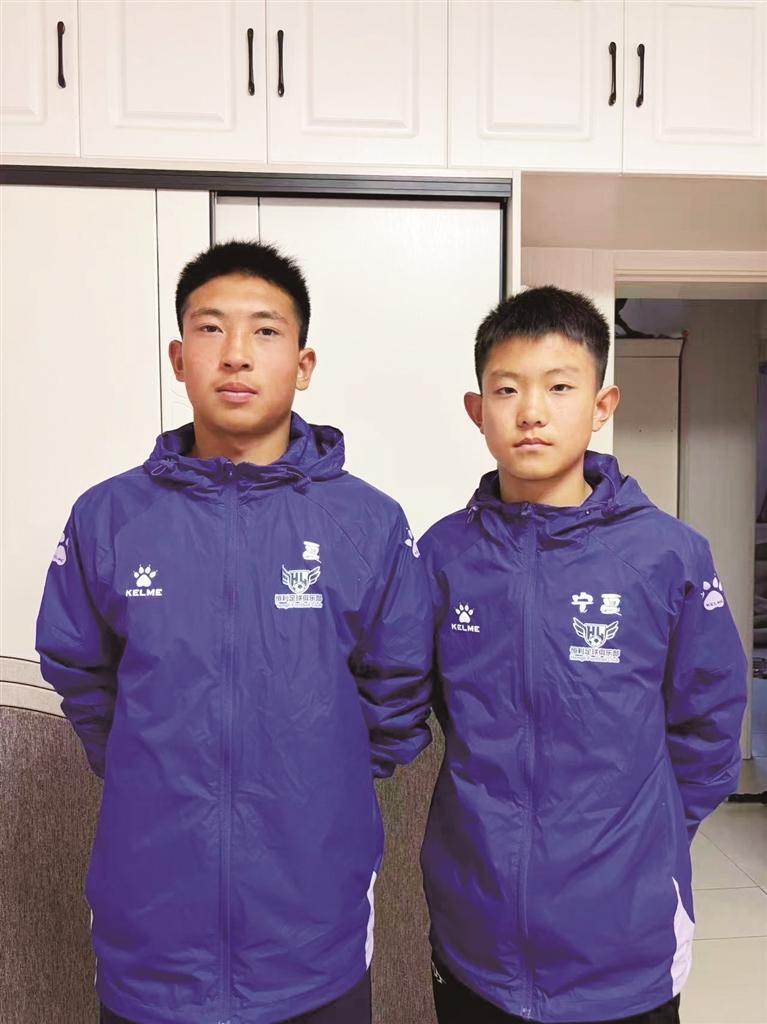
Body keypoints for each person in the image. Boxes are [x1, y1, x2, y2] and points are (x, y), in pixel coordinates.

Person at [36, 240, 432, 1024]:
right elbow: (81, 675)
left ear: (304, 364)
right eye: (211, 329)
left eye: (265, 331)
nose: (237, 354)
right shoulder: (109, 516)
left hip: (311, 937)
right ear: (179, 359)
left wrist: (320, 781)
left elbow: (397, 692)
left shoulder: (368, 523)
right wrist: (149, 766)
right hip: (152, 938)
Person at [418, 286, 747, 1024]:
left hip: (622, 944)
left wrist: (646, 836)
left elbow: (709, 727)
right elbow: (419, 704)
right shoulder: (443, 555)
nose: (531, 412)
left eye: (560, 387)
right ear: (477, 410)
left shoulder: (667, 555)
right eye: (506, 389)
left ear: (602, 406)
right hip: (476, 937)